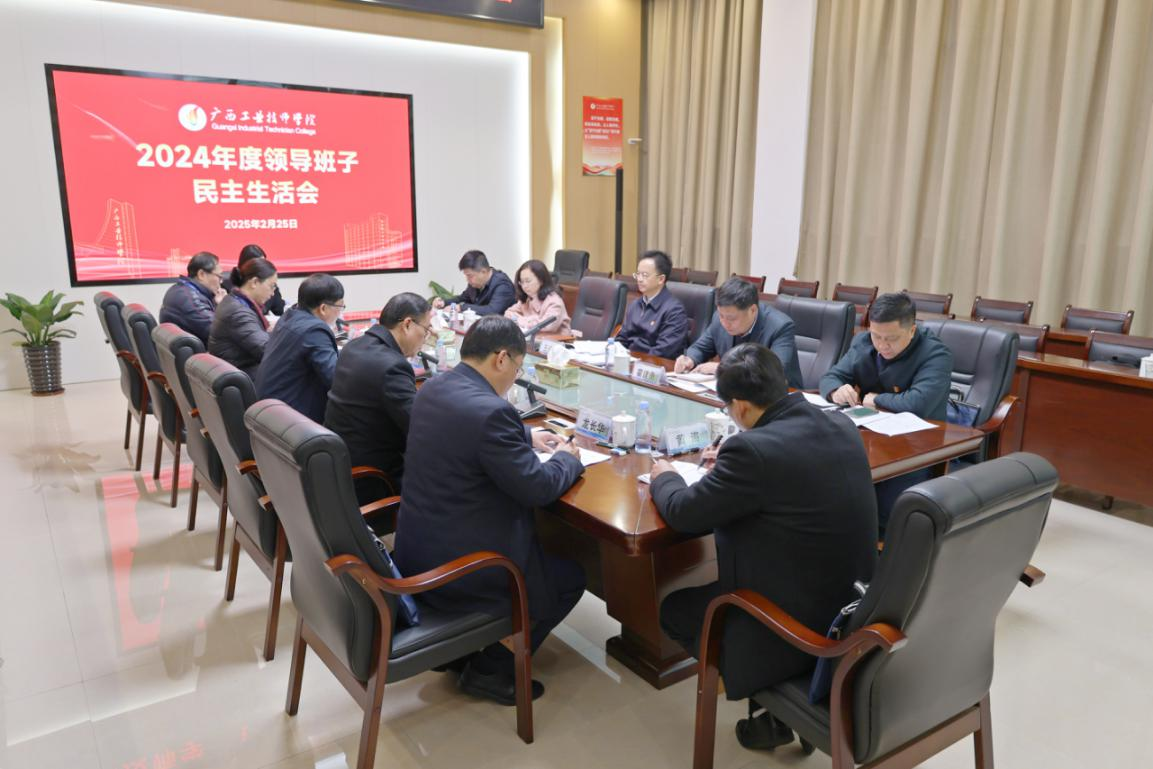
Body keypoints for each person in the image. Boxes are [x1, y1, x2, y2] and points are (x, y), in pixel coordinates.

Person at [652, 343, 877, 752]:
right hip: (854, 608)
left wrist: (664, 475)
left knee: (674, 610)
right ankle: (770, 711)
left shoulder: (751, 451)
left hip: (792, 627)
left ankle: (764, 687)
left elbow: (684, 513)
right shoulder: (839, 423)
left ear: (739, 407)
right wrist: (731, 468)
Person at [394, 316, 584, 706]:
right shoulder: (492, 412)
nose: (516, 376)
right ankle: (491, 669)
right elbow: (538, 488)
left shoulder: (434, 387)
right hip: (464, 568)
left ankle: (462, 653)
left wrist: (527, 435)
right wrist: (567, 458)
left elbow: (466, 432)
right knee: (569, 577)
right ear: (501, 359)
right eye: (518, 367)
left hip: (416, 549)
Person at [819, 291, 953, 533]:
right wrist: (836, 390)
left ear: (912, 330)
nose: (881, 345)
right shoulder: (863, 342)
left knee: (882, 514)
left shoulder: (935, 354)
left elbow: (918, 403)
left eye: (891, 338)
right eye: (876, 336)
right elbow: (831, 376)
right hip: (870, 438)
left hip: (915, 447)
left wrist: (876, 399)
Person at [325, 292, 433, 499]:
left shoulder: (354, 346)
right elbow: (420, 427)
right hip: (374, 478)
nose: (425, 338)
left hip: (341, 462)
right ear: (407, 324)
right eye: (426, 330)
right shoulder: (392, 366)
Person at [674, 276, 804, 389]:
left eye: (731, 318)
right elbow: (700, 348)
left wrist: (723, 369)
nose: (724, 323)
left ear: (752, 310)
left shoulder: (780, 326)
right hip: (734, 392)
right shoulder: (719, 319)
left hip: (777, 395)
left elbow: (774, 372)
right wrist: (689, 359)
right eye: (721, 315)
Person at [254, 274, 344, 424]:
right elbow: (336, 380)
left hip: (269, 411)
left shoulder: (289, 316)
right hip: (290, 421)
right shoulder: (314, 330)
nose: (340, 313)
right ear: (323, 308)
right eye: (340, 307)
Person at [208, 257, 278, 380]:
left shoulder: (233, 300)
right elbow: (267, 351)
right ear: (254, 282)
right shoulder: (238, 313)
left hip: (239, 372)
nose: (273, 293)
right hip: (244, 377)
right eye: (272, 286)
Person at [615, 250, 689, 358]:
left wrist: (635, 363)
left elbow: (663, 352)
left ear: (661, 279)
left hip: (653, 365)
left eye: (645, 275)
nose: (639, 279)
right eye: (638, 274)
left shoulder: (674, 311)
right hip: (628, 361)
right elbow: (622, 339)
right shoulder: (635, 304)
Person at [159, 251, 226, 344]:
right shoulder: (192, 300)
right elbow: (221, 333)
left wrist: (217, 304)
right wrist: (225, 307)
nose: (221, 282)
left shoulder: (180, 289)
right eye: (219, 277)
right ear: (201, 274)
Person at [432, 250, 516, 316]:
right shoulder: (475, 283)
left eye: (469, 275)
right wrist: (444, 303)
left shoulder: (502, 285)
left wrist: (461, 308)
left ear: (483, 272)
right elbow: (463, 297)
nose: (467, 279)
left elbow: (492, 311)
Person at [504, 259, 571, 335]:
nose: (524, 286)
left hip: (558, 340)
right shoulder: (527, 298)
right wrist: (523, 319)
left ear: (541, 280)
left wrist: (518, 320)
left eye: (528, 281)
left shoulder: (554, 301)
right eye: (522, 282)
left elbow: (546, 326)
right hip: (534, 339)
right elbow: (508, 313)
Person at [221, 244, 286, 316]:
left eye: (264, 264)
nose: (263, 268)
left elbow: (279, 310)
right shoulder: (226, 287)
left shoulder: (269, 286)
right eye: (257, 265)